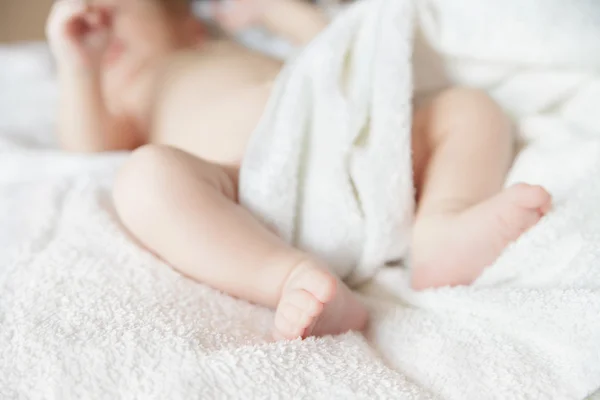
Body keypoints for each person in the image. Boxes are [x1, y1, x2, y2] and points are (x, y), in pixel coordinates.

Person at [46, 0, 552, 341]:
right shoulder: (128, 100)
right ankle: (289, 278)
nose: (100, 22)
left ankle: (443, 224)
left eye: (120, 8)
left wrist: (274, 9)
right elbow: (89, 149)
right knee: (144, 178)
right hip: (245, 185)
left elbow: (342, 49)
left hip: (355, 143)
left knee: (469, 108)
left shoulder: (217, 49)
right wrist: (79, 68)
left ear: (188, 24)